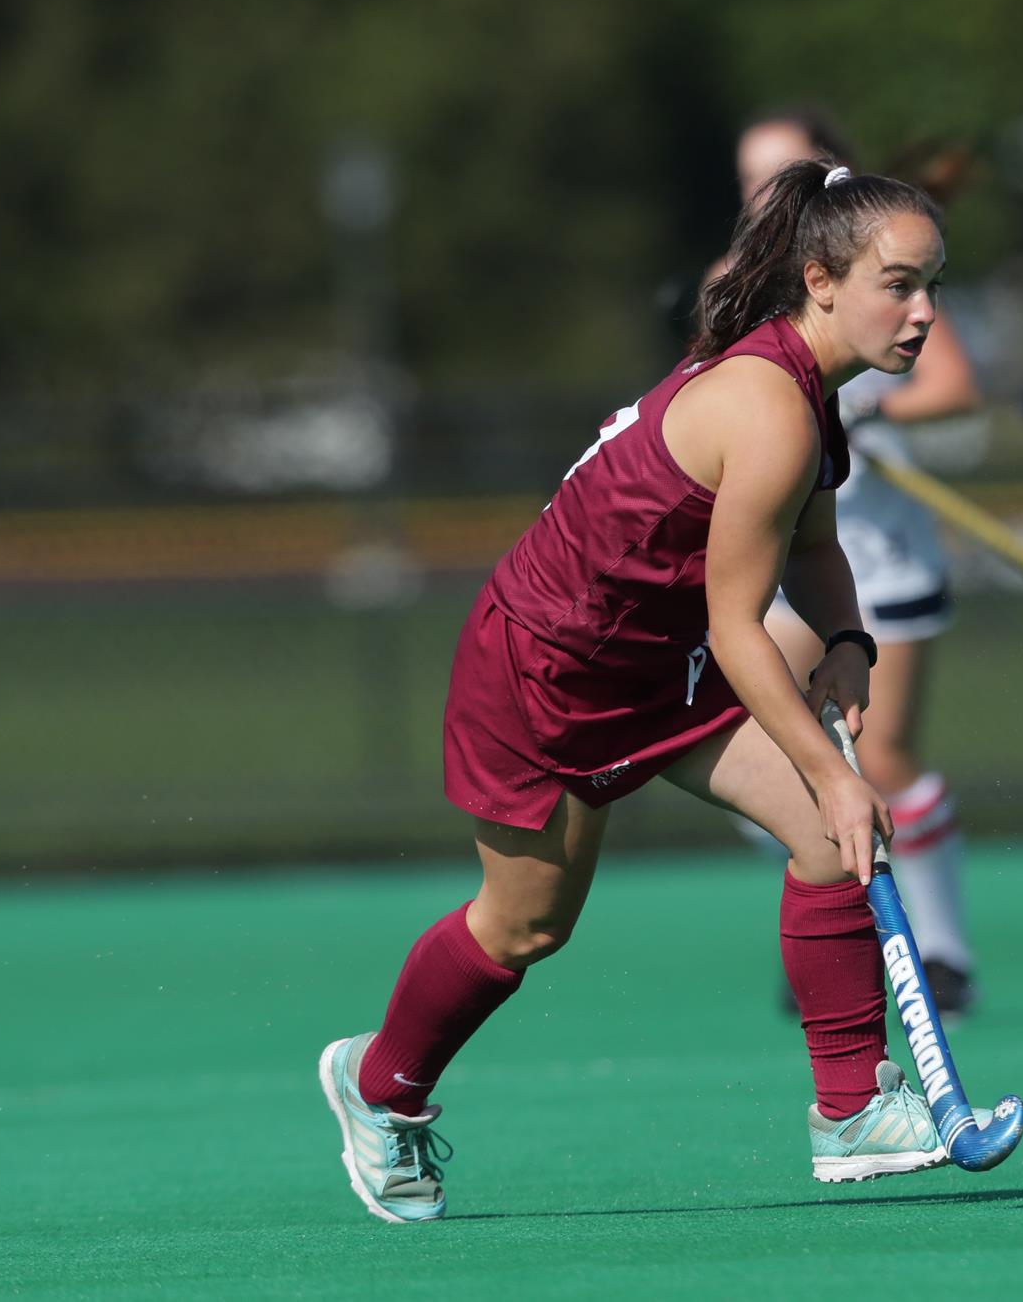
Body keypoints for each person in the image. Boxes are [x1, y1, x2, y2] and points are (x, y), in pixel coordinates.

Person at [322, 159, 987, 1225]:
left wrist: (851, 638)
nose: (923, 314)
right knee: (525, 928)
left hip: (654, 661)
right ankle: (379, 1087)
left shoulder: (810, 396)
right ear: (819, 279)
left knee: (828, 836)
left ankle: (852, 1112)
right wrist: (834, 769)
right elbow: (735, 625)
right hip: (546, 669)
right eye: (899, 284)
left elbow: (812, 546)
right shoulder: (767, 409)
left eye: (934, 287)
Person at [733, 111, 986, 1011]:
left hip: (878, 561)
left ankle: (943, 953)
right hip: (777, 576)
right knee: (780, 764)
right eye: (753, 176)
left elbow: (953, 385)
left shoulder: (887, 271)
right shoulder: (740, 284)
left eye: (783, 172)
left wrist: (873, 415)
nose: (767, 193)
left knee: (883, 757)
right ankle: (842, 929)